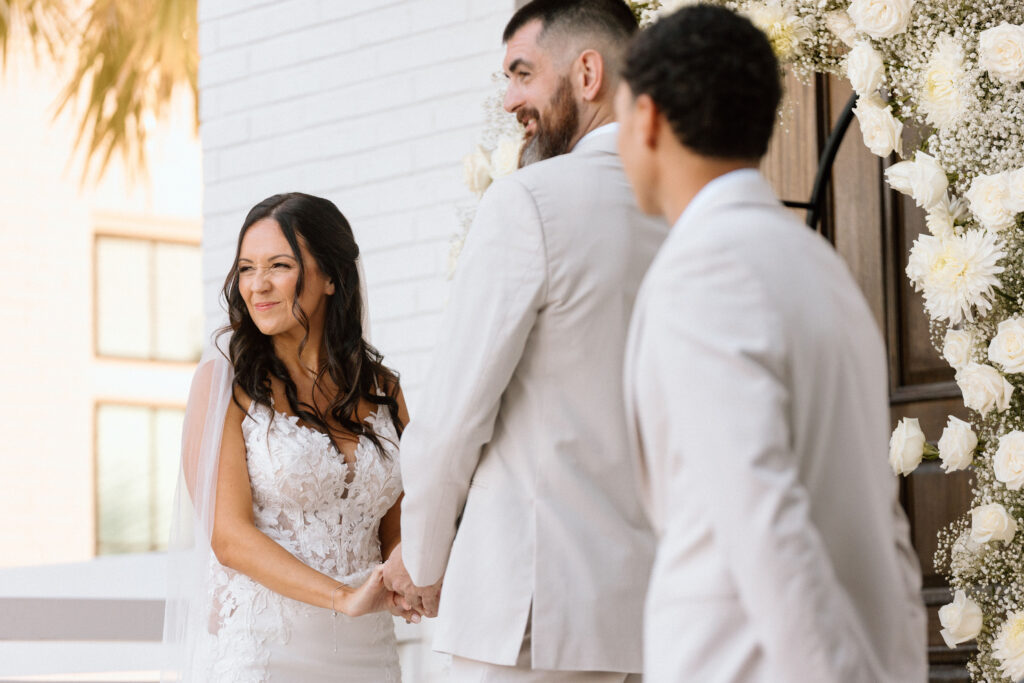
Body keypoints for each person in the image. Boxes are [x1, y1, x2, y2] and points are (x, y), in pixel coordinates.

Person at [614, 6, 928, 683]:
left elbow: (762, 518)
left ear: (648, 119)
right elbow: (884, 521)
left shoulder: (704, 269)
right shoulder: (822, 267)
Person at [382, 1, 668, 680]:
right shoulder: (682, 212)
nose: (509, 100)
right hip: (647, 620)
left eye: (521, 73)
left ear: (588, 72)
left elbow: (453, 418)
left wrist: (422, 559)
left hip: (531, 614)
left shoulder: (527, 204)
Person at [161, 192, 417, 682]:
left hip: (370, 654)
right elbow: (228, 537)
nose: (257, 285)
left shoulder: (384, 389)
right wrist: (344, 597)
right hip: (266, 653)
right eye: (246, 268)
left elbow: (395, 530)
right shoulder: (224, 385)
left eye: (278, 265)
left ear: (330, 277)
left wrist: (412, 570)